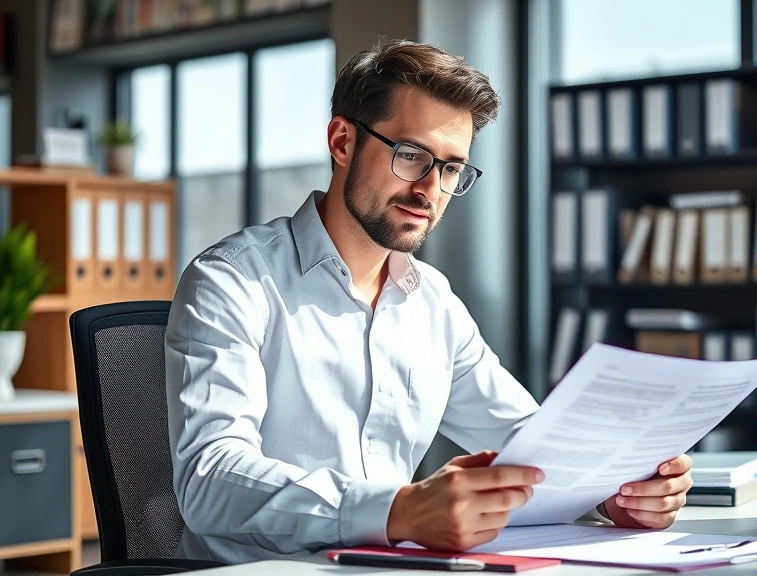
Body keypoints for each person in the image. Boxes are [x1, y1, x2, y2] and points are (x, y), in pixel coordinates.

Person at [165, 39, 694, 564]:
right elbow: (209, 478)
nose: (429, 189)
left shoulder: (433, 302)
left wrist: (615, 491)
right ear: (343, 142)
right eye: (411, 155)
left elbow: (529, 444)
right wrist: (399, 511)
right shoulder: (232, 281)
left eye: (450, 168)